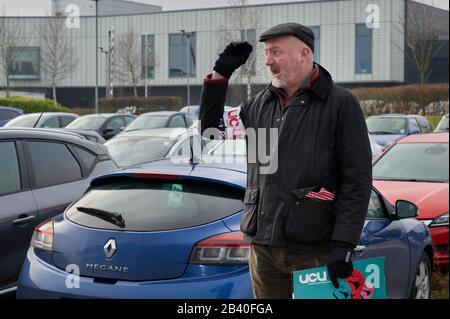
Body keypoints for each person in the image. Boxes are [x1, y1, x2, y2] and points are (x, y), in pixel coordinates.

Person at [199, 22, 372, 298]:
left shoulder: (340, 104)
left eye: (276, 52)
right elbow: (211, 131)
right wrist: (221, 75)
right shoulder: (259, 105)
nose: (268, 61)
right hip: (264, 247)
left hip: (314, 250)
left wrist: (344, 243)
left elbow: (357, 180)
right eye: (267, 53)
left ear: (304, 54)